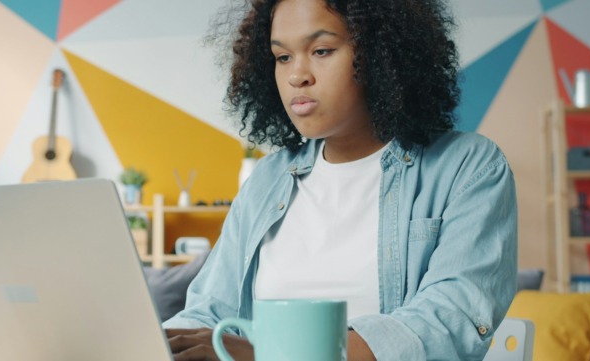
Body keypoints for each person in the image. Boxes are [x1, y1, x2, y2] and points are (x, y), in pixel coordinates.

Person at [164, 0, 518, 360]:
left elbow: (447, 322)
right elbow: (207, 313)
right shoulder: (266, 180)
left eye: (321, 50)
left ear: (382, 54)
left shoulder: (469, 167)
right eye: (282, 57)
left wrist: (267, 354)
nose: (296, 76)